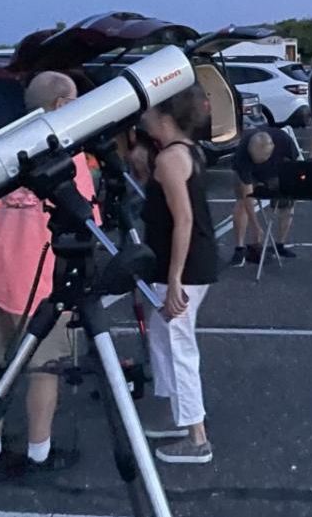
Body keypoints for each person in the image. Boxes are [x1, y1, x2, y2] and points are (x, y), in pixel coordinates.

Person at [0, 72, 94, 478]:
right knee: (44, 371)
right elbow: (86, 219)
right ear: (61, 106)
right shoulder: (66, 156)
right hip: (44, 282)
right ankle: (39, 452)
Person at [139, 84, 218, 464]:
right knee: (162, 338)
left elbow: (183, 220)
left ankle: (197, 437)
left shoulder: (171, 159)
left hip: (185, 267)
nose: (143, 116)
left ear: (165, 118)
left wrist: (174, 280)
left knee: (178, 345)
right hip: (188, 262)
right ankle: (181, 417)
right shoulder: (187, 150)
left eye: (149, 111)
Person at [230, 127, 300, 266]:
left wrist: (295, 186)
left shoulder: (284, 140)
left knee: (287, 202)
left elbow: (297, 164)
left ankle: (279, 245)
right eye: (255, 159)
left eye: (261, 159)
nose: (257, 161)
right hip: (250, 175)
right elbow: (247, 194)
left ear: (272, 148)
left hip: (276, 170)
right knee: (241, 203)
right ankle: (239, 248)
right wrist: (255, 225)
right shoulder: (242, 153)